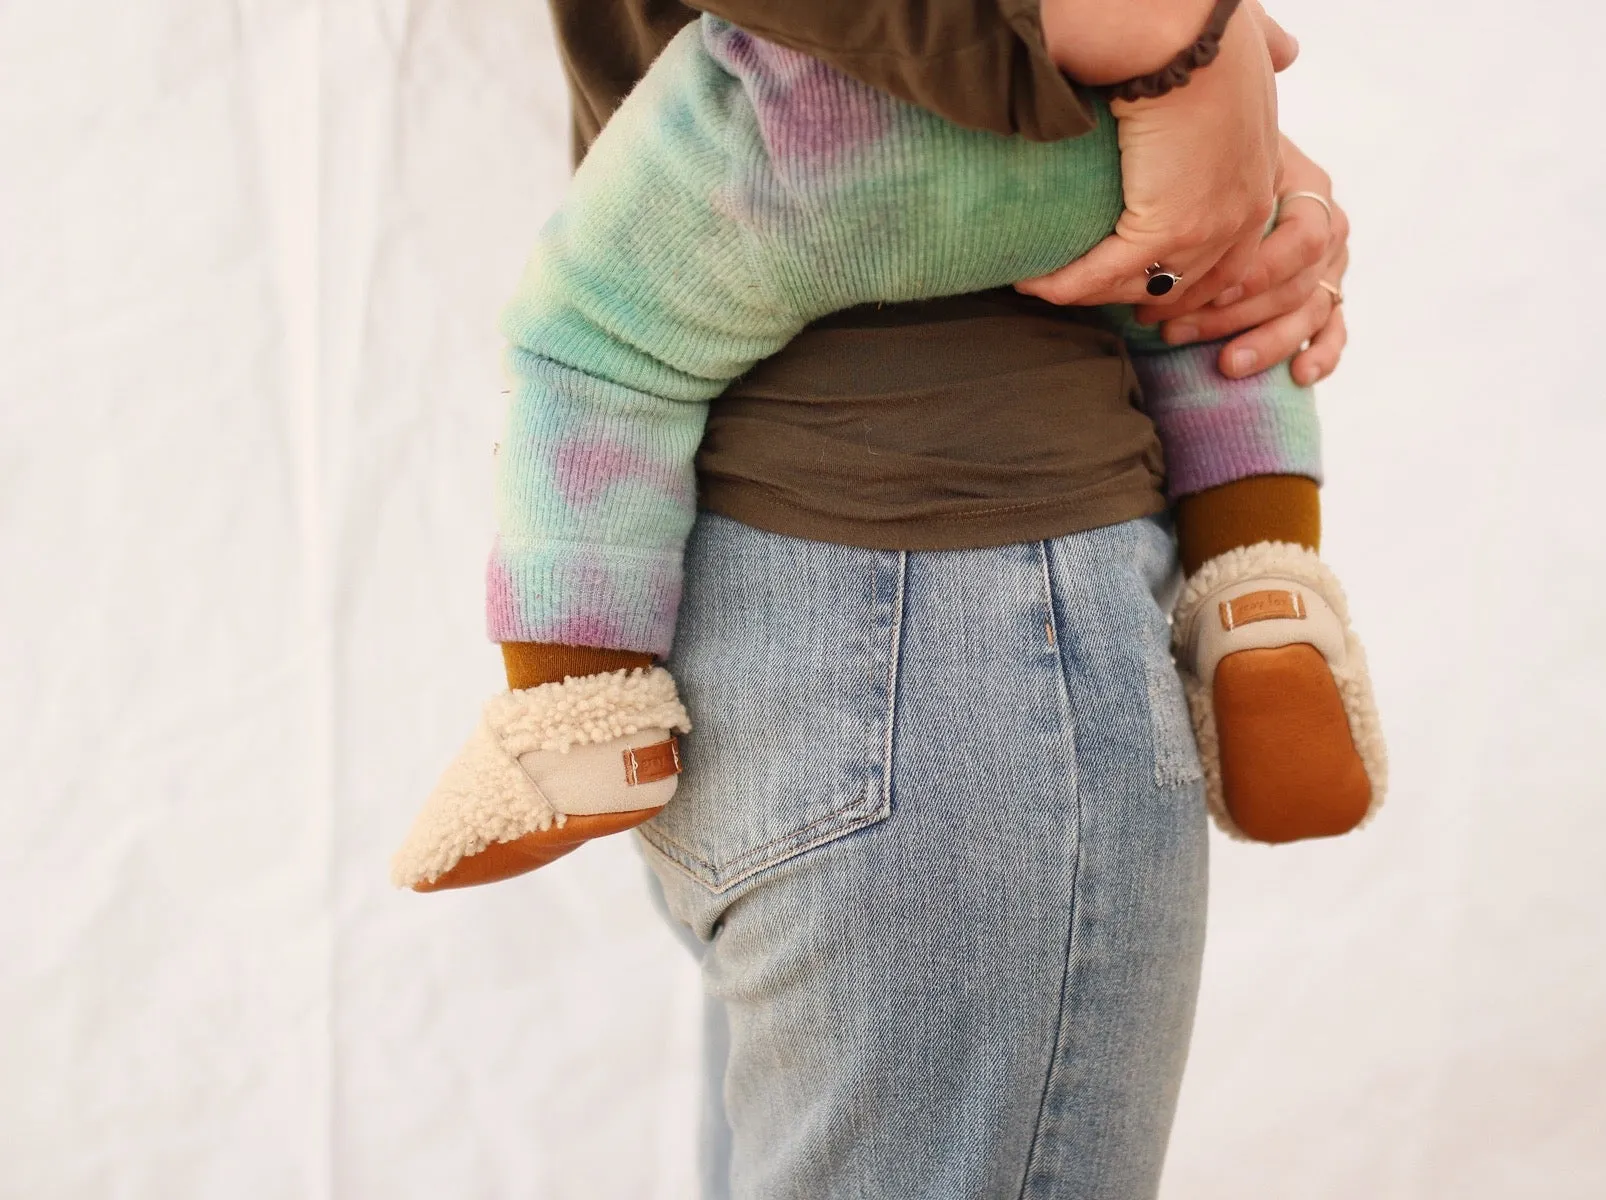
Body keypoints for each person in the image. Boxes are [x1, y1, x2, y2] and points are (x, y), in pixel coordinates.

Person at [400, 3, 1372, 1195]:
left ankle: (580, 708)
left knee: (589, 345)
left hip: (743, 576)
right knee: (1207, 311)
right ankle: (1263, 591)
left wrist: (1222, 122)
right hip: (962, 627)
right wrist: (1178, 41)